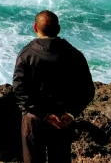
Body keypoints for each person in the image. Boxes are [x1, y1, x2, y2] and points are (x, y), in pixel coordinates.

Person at [13, 10, 95, 163]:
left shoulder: (26, 55)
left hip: (34, 119)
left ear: (35, 28)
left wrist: (44, 114)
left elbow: (19, 91)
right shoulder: (75, 55)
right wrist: (71, 113)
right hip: (62, 119)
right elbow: (88, 91)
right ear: (58, 29)